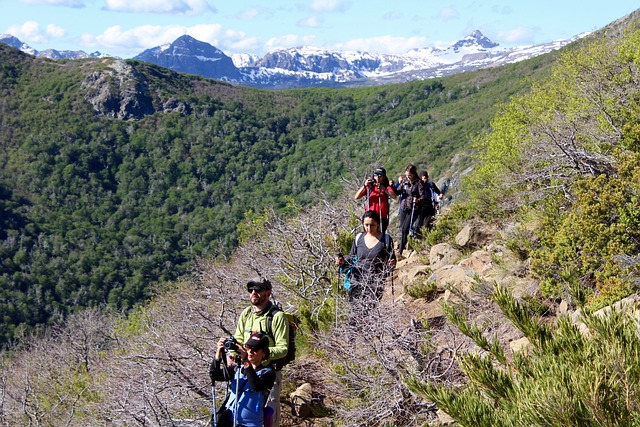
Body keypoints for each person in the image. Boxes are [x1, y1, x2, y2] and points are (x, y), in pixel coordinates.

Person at [233, 278, 289, 427]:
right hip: (246, 372)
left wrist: (261, 353)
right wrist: (234, 353)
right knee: (243, 414)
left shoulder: (277, 317)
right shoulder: (246, 314)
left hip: (268, 374)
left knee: (268, 417)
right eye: (251, 290)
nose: (254, 293)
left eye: (258, 290)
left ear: (268, 293)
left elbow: (283, 348)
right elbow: (238, 338)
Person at [210, 332, 276, 427]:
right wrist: (218, 354)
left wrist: (245, 361)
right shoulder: (237, 369)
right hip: (229, 420)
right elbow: (215, 375)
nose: (250, 352)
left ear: (264, 353)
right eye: (248, 348)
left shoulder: (268, 373)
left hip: (250, 424)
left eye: (255, 349)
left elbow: (255, 385)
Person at [336, 210, 397, 303]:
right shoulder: (358, 238)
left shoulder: (386, 240)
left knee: (370, 310)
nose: (369, 228)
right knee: (355, 310)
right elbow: (351, 257)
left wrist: (391, 264)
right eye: (366, 225)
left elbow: (392, 261)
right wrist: (342, 262)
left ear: (378, 224)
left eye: (372, 225)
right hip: (356, 279)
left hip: (376, 281)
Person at [394, 164, 426, 256]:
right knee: (402, 228)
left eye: (410, 175)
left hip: (413, 208)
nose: (408, 177)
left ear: (414, 174)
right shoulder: (404, 181)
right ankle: (402, 247)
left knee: (405, 229)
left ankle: (400, 251)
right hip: (404, 207)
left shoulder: (419, 183)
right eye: (407, 175)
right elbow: (397, 191)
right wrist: (393, 185)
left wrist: (418, 200)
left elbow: (423, 197)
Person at [354, 167, 397, 234]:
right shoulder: (370, 187)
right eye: (376, 175)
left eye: (380, 176)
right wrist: (364, 186)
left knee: (380, 236)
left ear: (384, 177)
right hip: (370, 217)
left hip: (381, 217)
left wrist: (384, 189)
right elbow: (356, 197)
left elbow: (394, 196)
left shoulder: (386, 187)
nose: (377, 177)